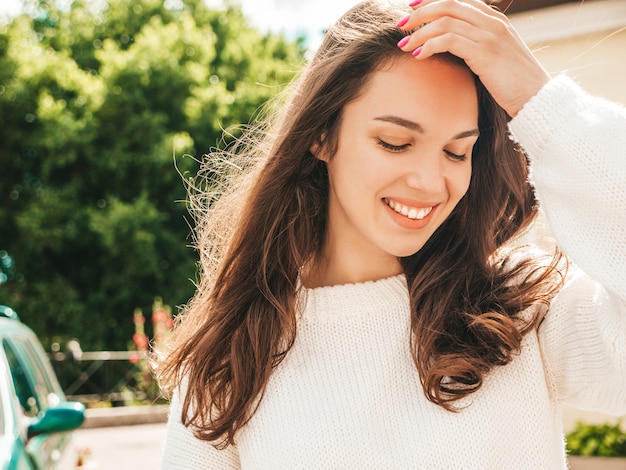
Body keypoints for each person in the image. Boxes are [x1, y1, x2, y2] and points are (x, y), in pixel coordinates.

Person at [157, 0, 626, 468]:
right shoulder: (228, 362)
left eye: (457, 152)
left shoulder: (520, 307)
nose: (429, 181)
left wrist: (543, 104)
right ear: (321, 134)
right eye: (395, 143)